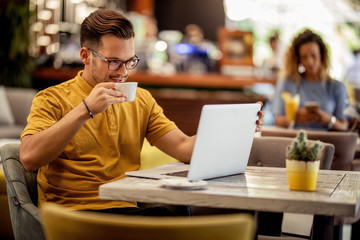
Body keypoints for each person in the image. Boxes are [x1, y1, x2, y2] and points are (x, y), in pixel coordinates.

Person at [19, 9, 264, 215]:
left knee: (192, 215)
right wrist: (85, 110)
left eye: (129, 61)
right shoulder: (52, 98)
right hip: (72, 216)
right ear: (86, 56)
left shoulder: (141, 100)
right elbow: (29, 158)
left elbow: (184, 148)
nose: (123, 72)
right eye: (114, 61)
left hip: (125, 208)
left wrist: (235, 128)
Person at [271, 28, 348, 131]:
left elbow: (344, 126)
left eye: (313, 56)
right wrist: (296, 119)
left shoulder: (337, 87)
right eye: (304, 57)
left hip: (329, 143)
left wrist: (329, 120)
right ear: (298, 59)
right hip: (295, 142)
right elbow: (277, 120)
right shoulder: (287, 82)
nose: (310, 62)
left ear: (322, 55)